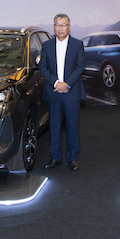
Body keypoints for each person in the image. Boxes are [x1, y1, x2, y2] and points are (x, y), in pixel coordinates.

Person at [40, 13, 86, 171]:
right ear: (54, 27)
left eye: (63, 25)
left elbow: (79, 67)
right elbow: (43, 67)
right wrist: (56, 83)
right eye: (57, 25)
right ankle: (55, 158)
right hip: (53, 91)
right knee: (54, 127)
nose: (60, 28)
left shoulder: (77, 44)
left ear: (69, 27)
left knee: (73, 127)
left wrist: (66, 84)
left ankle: (72, 159)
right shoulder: (46, 46)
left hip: (71, 92)